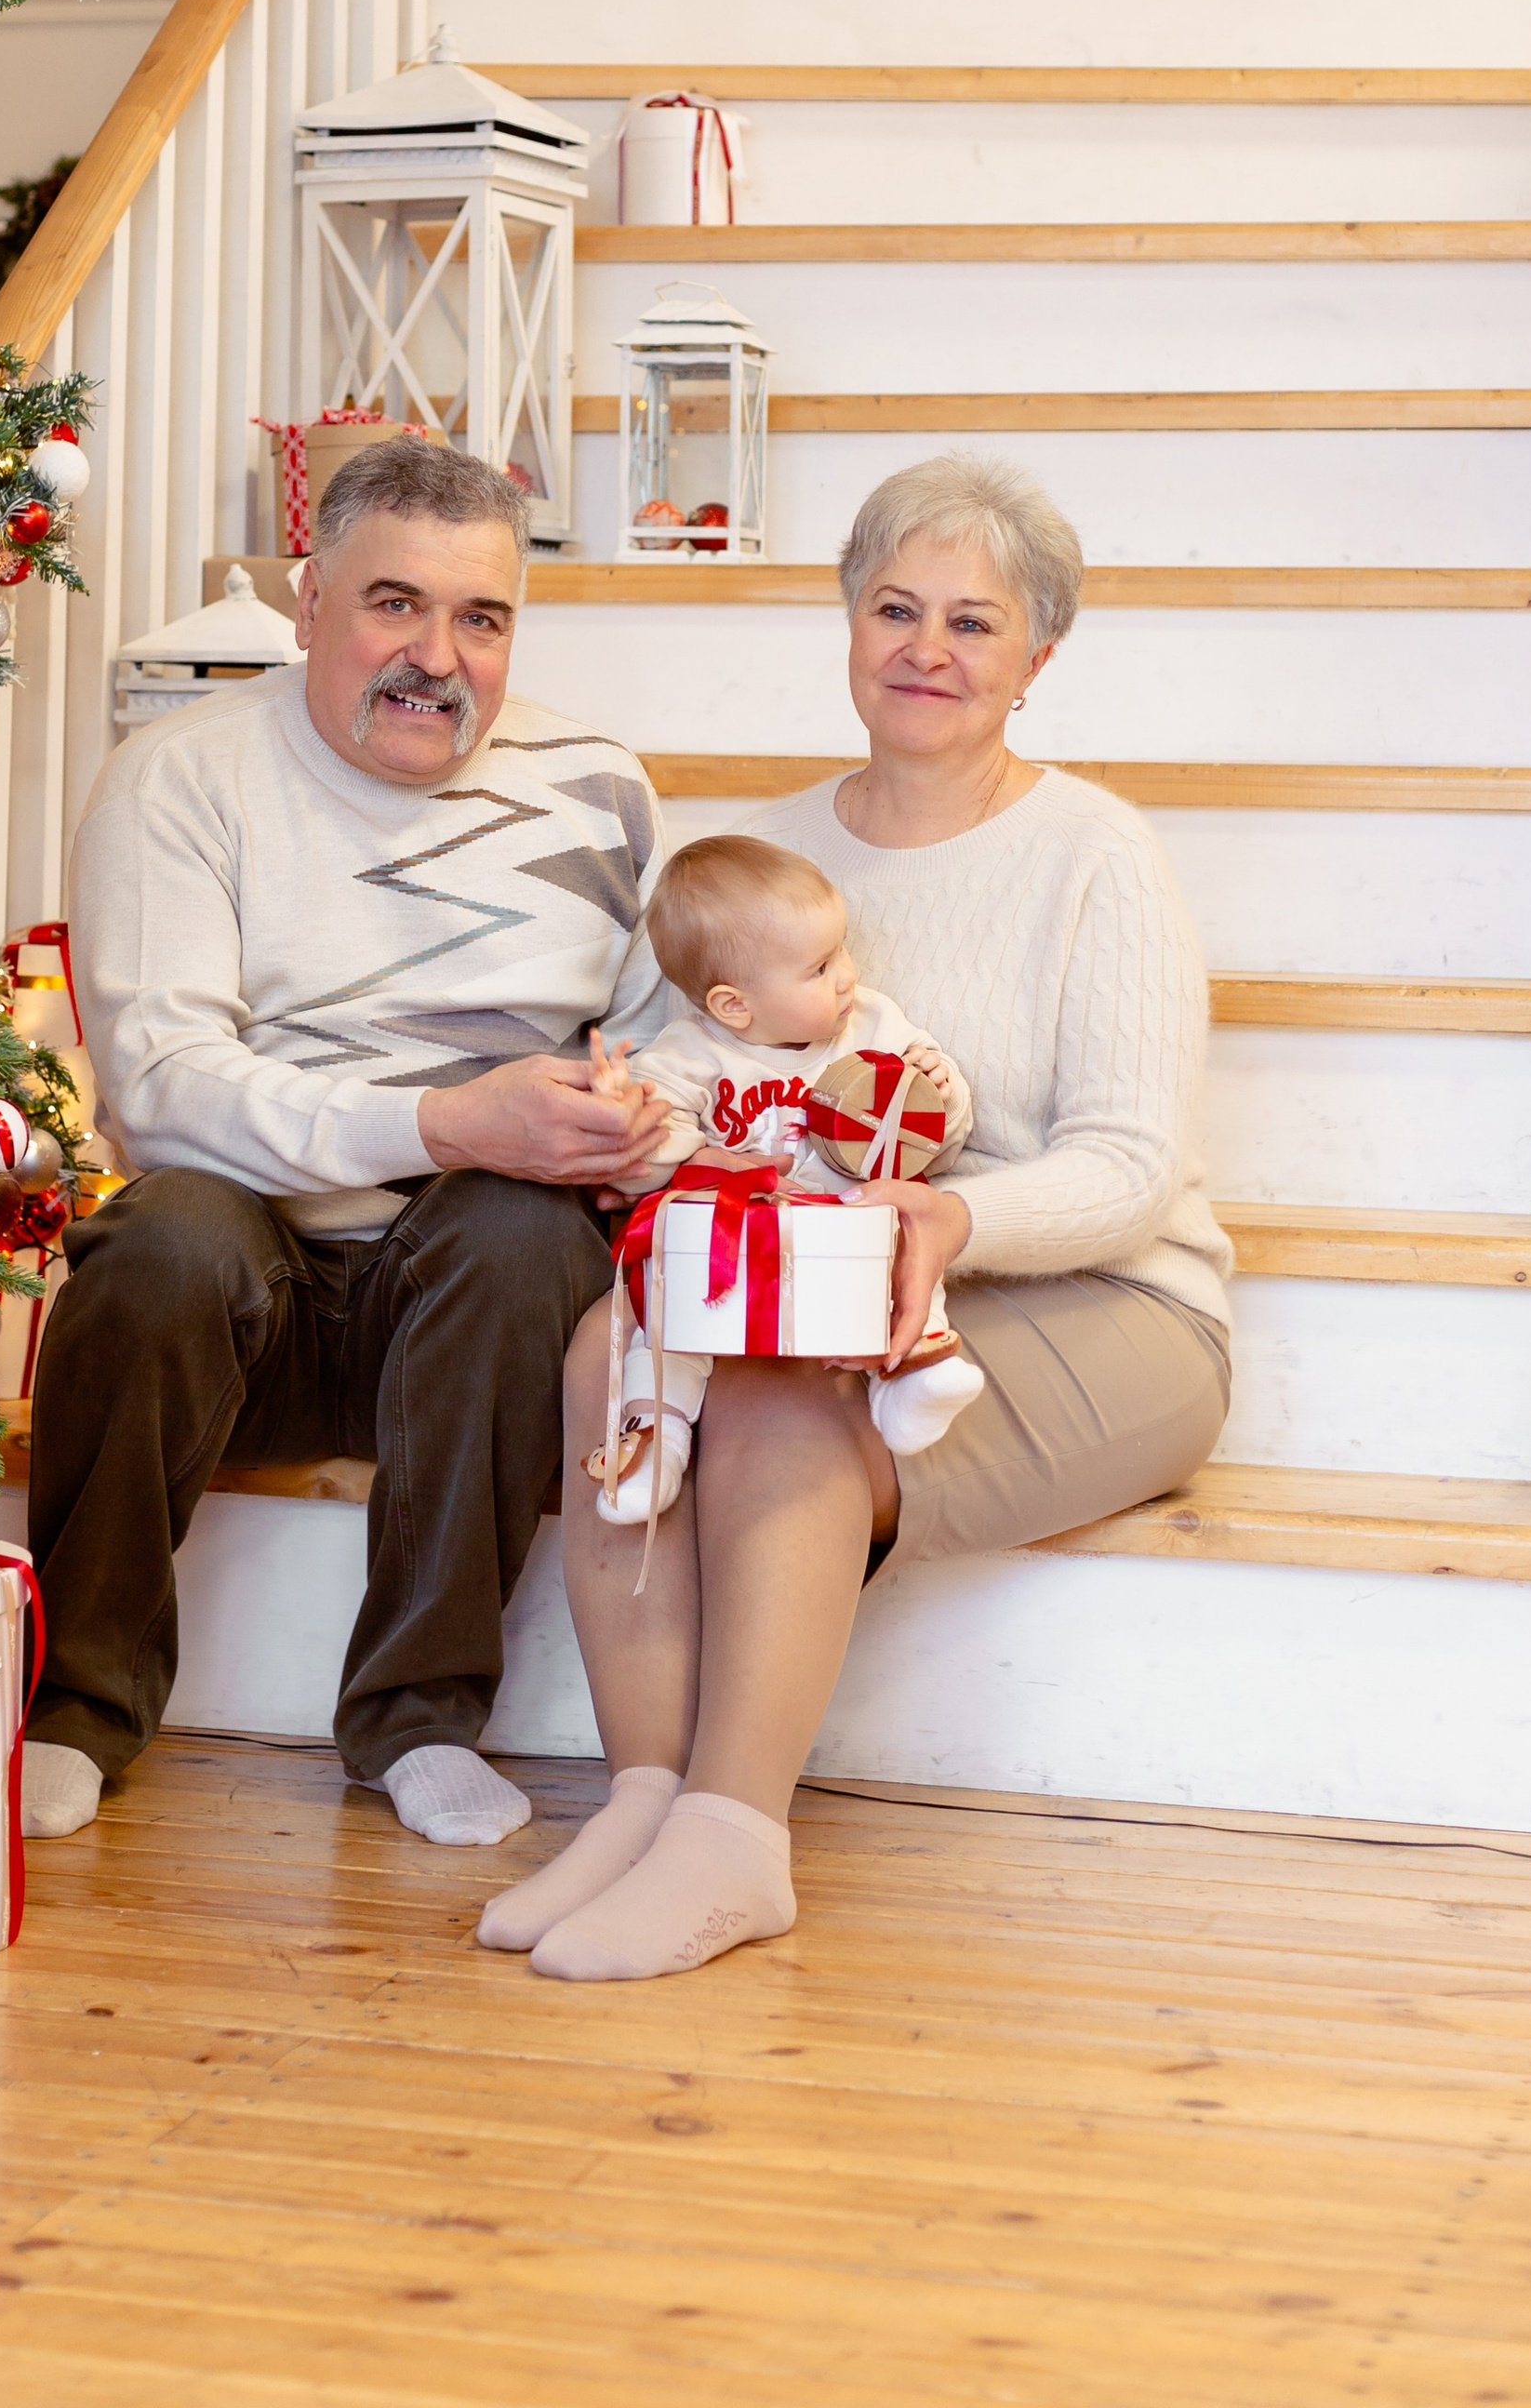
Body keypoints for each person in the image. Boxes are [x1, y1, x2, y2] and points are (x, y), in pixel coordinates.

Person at [479, 451, 1232, 1978]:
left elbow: (1133, 1164)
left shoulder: (1098, 854)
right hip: (830, 1268)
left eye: (974, 622)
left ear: (1040, 656)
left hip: (1100, 1301)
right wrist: (628, 1124)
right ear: (847, 621)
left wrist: (942, 1227)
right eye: (897, 608)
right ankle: (641, 1797)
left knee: (778, 1401)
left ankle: (734, 1835)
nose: (927, 650)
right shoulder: (762, 854)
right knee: (608, 1352)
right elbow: (669, 1066)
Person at [21, 437, 670, 1850]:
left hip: (470, 1320)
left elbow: (663, 1045)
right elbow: (163, 1084)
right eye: (394, 603)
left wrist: (631, 1116)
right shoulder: (180, 774)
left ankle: (419, 1719)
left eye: (480, 618)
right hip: (241, 1301)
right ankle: (74, 1703)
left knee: (523, 1228)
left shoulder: (601, 790)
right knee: (162, 1235)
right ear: (307, 602)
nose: (436, 655)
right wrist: (446, 1117)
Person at [584, 835, 984, 1526]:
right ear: (734, 1005)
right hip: (731, 1242)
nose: (847, 976)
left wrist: (941, 1094)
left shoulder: (875, 1027)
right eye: (819, 966)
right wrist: (631, 1120)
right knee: (665, 1307)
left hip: (841, 1223)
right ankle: (655, 1435)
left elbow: (931, 1143)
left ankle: (907, 1374)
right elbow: (645, 1161)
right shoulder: (689, 1054)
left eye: (843, 951)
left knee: (900, 1246)